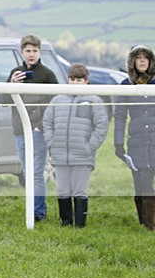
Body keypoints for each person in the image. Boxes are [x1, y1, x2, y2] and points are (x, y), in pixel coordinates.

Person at [0, 35, 58, 221]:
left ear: (39, 52)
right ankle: (31, 208)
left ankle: (38, 212)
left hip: (38, 130)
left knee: (37, 172)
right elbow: (4, 101)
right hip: (19, 129)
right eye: (28, 51)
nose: (31, 55)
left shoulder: (48, 75)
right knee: (27, 172)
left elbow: (54, 103)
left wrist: (41, 126)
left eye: (34, 51)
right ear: (21, 52)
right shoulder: (15, 72)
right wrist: (12, 85)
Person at [43, 64, 109, 227]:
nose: (75, 83)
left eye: (79, 80)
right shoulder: (58, 99)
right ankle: (65, 222)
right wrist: (52, 142)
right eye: (72, 79)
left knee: (79, 191)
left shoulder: (94, 101)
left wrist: (89, 146)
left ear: (86, 81)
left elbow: (101, 126)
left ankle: (80, 224)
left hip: (82, 155)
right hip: (60, 154)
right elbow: (47, 121)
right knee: (63, 191)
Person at [114, 44, 155, 229]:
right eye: (138, 58)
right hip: (137, 141)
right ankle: (145, 222)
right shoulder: (126, 85)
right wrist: (117, 143)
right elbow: (120, 115)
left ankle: (150, 223)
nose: (142, 61)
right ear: (133, 61)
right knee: (140, 183)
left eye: (145, 57)